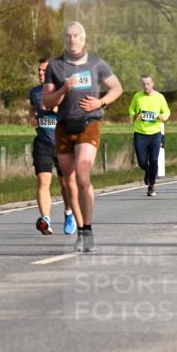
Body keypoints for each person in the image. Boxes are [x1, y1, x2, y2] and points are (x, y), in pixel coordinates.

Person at [42, 21, 123, 253]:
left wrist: (101, 102)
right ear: (64, 39)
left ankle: (88, 227)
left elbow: (116, 87)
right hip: (64, 126)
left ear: (84, 38)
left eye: (76, 35)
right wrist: (64, 89)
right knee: (68, 181)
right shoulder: (55, 66)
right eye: (68, 36)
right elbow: (47, 102)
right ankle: (81, 230)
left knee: (82, 176)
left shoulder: (96, 63)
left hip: (89, 122)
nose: (72, 39)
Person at [29, 58, 75, 235]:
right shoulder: (34, 92)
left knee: (65, 184)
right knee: (43, 180)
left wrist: (59, 110)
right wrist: (31, 117)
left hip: (63, 144)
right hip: (43, 143)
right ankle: (46, 220)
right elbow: (32, 109)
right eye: (39, 71)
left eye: (44, 71)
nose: (41, 73)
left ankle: (69, 213)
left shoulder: (64, 90)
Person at [128, 74, 171, 196]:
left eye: (148, 84)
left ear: (153, 83)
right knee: (142, 162)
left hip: (155, 133)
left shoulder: (159, 97)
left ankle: (151, 186)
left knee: (153, 160)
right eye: (143, 84)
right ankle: (148, 171)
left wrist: (163, 117)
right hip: (140, 133)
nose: (146, 87)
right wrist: (134, 116)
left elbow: (167, 111)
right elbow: (131, 109)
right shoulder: (137, 96)